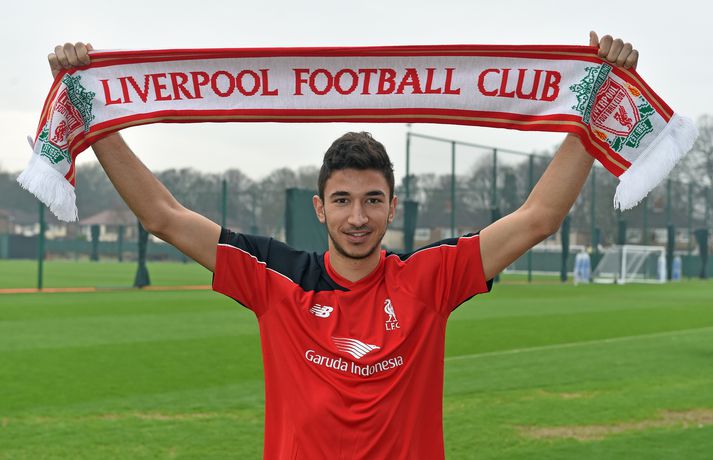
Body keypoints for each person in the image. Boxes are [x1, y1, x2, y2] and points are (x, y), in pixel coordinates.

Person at [48, 32, 638, 459]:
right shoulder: (274, 277)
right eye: (343, 200)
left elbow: (538, 218)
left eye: (373, 200)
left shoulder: (429, 277)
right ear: (319, 207)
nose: (358, 217)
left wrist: (593, 108)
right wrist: (94, 117)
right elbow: (164, 218)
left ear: (392, 207)